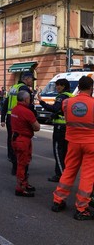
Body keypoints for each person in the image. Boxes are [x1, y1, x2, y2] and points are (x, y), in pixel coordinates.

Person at [52, 76, 94, 220]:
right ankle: (81, 208)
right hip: (91, 144)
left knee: (69, 170)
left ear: (78, 87)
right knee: (87, 175)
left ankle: (58, 200)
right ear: (91, 88)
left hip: (73, 142)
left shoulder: (67, 102)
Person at [37, 78, 73, 182]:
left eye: (59, 85)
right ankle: (66, 172)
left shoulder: (61, 97)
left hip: (59, 128)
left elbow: (55, 108)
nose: (57, 87)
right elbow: (62, 110)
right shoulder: (71, 96)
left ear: (64, 86)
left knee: (58, 151)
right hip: (67, 127)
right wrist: (54, 115)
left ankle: (60, 175)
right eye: (56, 85)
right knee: (66, 152)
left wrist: (42, 102)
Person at [1, 72, 36, 175]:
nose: (32, 82)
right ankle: (18, 166)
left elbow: (6, 103)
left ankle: (12, 158)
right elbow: (29, 105)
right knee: (21, 141)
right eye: (31, 79)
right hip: (19, 117)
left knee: (12, 139)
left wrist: (3, 118)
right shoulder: (24, 89)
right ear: (26, 79)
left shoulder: (14, 87)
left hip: (10, 116)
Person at [11, 91, 40, 197]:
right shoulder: (26, 111)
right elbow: (37, 127)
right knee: (23, 164)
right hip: (23, 139)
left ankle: (24, 183)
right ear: (26, 99)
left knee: (23, 162)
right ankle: (20, 188)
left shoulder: (15, 109)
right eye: (29, 98)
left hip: (16, 138)